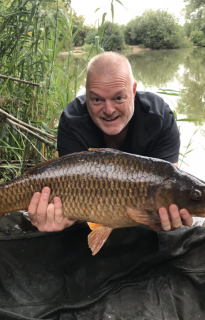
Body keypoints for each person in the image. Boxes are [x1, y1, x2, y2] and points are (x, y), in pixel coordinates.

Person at [27, 52, 193, 233]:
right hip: (89, 215)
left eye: (118, 98)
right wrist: (57, 219)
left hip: (139, 221)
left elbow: (169, 180)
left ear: (133, 90)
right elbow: (69, 190)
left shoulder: (158, 118)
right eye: (97, 99)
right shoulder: (72, 121)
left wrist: (160, 221)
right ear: (86, 95)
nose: (108, 110)